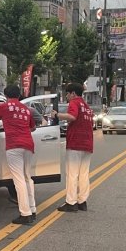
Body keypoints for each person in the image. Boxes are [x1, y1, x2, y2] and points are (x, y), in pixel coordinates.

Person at [0, 84, 36, 224]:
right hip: (29, 145)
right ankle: (32, 209)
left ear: (6, 96)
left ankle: (25, 214)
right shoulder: (26, 109)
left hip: (14, 146)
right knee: (27, 178)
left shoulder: (4, 106)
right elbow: (33, 127)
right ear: (19, 95)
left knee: (18, 179)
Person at [52, 82, 94, 212]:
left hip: (75, 143)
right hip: (87, 144)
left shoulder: (74, 103)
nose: (67, 96)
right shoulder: (86, 106)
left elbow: (72, 116)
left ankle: (71, 202)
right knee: (83, 174)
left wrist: (57, 115)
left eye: (67, 94)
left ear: (73, 93)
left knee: (72, 174)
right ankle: (82, 201)